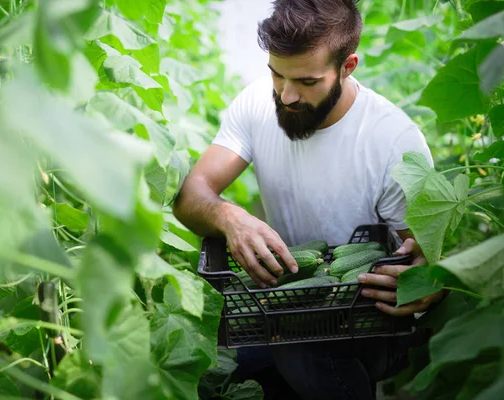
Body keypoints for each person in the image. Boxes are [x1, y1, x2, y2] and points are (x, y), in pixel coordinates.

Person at [173, 0, 446, 398]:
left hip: (365, 321)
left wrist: (429, 280)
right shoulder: (255, 104)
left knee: (302, 351)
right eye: (276, 75)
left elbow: (424, 259)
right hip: (281, 305)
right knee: (222, 367)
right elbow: (190, 197)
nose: (285, 96)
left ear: (347, 67)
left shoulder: (394, 144)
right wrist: (229, 216)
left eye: (306, 82)